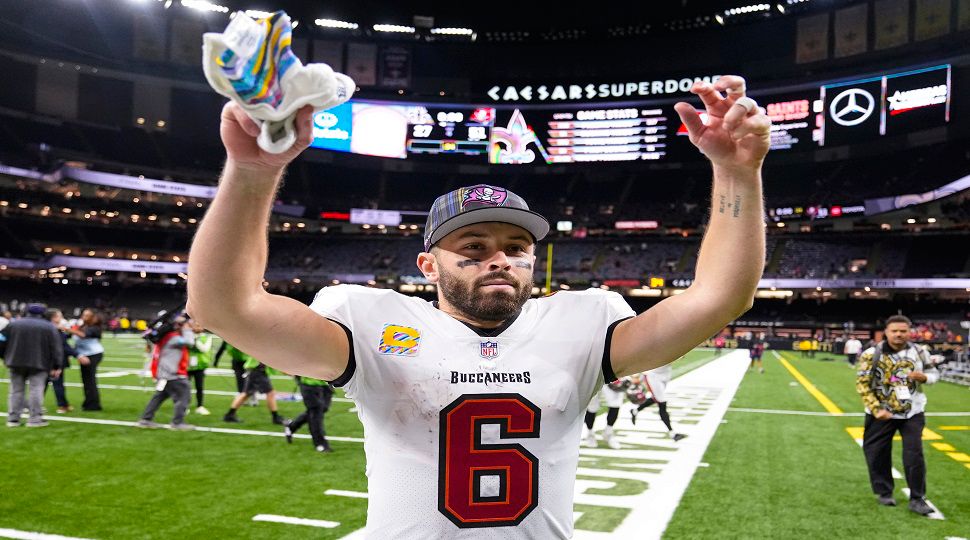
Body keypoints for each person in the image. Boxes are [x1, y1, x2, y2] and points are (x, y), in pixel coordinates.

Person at [187, 75, 769, 536]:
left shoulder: (583, 323)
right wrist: (254, 170)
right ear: (427, 265)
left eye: (517, 248)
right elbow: (225, 308)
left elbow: (722, 297)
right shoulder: (374, 323)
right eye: (474, 247)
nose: (500, 260)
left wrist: (737, 173)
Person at [856, 315, 939, 516]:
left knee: (914, 454)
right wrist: (877, 409)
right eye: (895, 331)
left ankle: (917, 498)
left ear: (909, 332)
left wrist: (926, 377)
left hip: (913, 411)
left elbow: (935, 374)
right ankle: (884, 492)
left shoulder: (920, 352)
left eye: (903, 331)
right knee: (877, 453)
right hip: (880, 413)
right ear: (886, 332)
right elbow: (863, 384)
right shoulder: (870, 354)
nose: (899, 334)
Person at [2, 303, 63, 427]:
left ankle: (13, 419)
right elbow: (56, 348)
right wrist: (57, 365)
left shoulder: (13, 324)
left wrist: (5, 357)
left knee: (15, 391)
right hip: (39, 363)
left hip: (15, 362)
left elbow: (1, 340)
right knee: (36, 390)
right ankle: (35, 419)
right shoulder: (49, 327)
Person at [137, 316, 195, 430]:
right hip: (173, 375)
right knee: (184, 396)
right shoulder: (174, 338)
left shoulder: (167, 337)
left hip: (165, 374)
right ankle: (177, 423)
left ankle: (145, 419)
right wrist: (187, 329)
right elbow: (190, 342)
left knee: (159, 397)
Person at [222, 355, 285, 425]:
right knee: (270, 393)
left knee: (246, 394)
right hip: (258, 370)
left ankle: (229, 415)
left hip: (256, 370)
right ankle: (275, 417)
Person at [629, 365, 687, 441]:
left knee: (656, 398)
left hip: (666, 373)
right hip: (653, 375)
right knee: (662, 402)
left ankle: (635, 411)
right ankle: (672, 434)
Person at [44, 308, 85, 413]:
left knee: (41, 384)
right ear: (54, 318)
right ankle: (63, 406)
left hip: (43, 360)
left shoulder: (45, 328)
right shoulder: (54, 329)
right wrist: (78, 355)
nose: (61, 318)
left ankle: (30, 405)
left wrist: (66, 332)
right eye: (59, 316)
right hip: (54, 361)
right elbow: (64, 346)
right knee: (57, 383)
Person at [283, 375, 334, 453]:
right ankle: (320, 443)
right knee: (316, 413)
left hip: (326, 384)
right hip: (309, 384)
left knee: (320, 410)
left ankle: (291, 426)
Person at [68, 309, 105, 411]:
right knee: (86, 380)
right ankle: (88, 403)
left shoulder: (95, 328)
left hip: (93, 354)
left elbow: (83, 335)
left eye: (87, 315)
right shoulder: (83, 326)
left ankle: (93, 405)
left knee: (90, 380)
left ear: (93, 317)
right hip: (84, 354)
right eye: (84, 315)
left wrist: (66, 329)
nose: (84, 317)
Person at [583, 382, 625, 449]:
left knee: (615, 403)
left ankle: (608, 432)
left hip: (611, 373)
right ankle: (590, 433)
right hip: (593, 374)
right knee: (592, 405)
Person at [187, 320, 214, 415]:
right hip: (188, 366)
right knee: (186, 387)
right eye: (195, 325)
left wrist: (194, 340)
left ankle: (200, 406)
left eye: (199, 325)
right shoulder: (187, 336)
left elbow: (204, 349)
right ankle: (185, 405)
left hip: (200, 366)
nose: (197, 327)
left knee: (199, 387)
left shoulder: (207, 337)